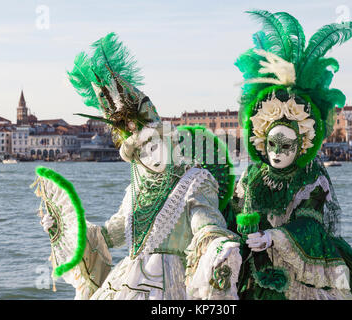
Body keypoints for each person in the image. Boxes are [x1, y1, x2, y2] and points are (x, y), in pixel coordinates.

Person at [32, 32, 241, 300]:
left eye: (156, 145)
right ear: (136, 157)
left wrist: (217, 244)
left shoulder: (195, 182)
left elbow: (205, 223)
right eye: (143, 151)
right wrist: (64, 229)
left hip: (172, 286)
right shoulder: (134, 191)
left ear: (168, 143)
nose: (153, 155)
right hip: (126, 281)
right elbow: (109, 236)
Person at [227, 10, 352, 300]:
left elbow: (311, 221)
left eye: (287, 146)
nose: (278, 154)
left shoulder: (311, 176)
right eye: (272, 145)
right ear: (261, 141)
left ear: (302, 145)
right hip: (253, 269)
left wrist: (273, 237)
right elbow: (234, 212)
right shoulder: (253, 174)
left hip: (303, 269)